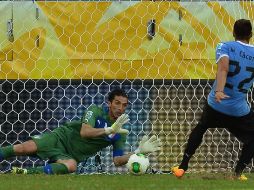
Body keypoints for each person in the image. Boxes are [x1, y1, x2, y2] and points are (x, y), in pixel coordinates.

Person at [0, 88, 161, 174]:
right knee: (24, 148)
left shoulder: (120, 131)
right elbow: (85, 132)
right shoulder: (95, 111)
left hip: (70, 155)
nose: (120, 108)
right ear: (109, 103)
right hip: (60, 138)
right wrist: (107, 130)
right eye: (117, 103)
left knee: (71, 166)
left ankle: (25, 172)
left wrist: (138, 152)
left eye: (124, 105)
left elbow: (117, 161)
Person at [172, 19, 254, 181]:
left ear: (233, 32)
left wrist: (219, 91)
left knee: (201, 127)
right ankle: (237, 173)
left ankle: (182, 167)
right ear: (251, 35)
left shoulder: (224, 46)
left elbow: (223, 67)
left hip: (216, 105)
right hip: (238, 111)